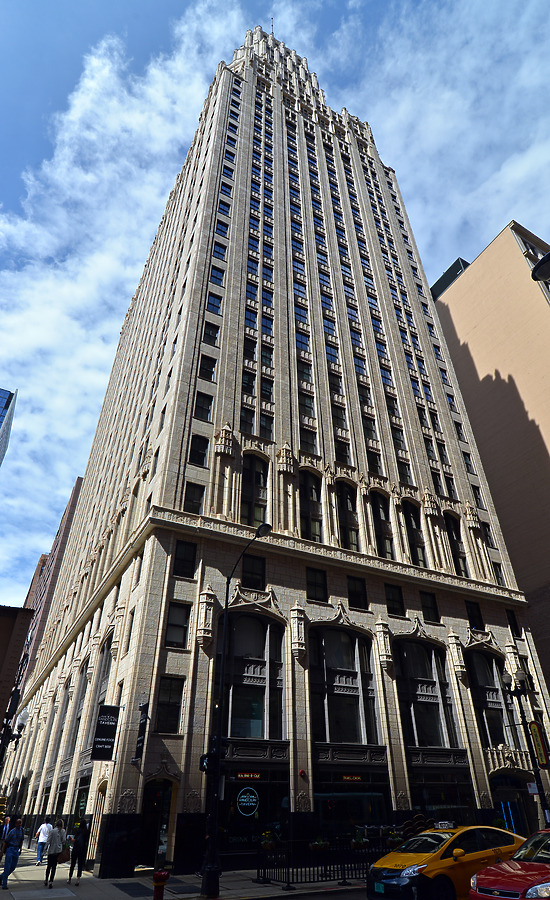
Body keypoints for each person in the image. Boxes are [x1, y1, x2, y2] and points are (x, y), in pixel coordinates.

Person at [1, 818, 24, 890]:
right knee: (7, 867)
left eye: (20, 823)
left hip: (16, 850)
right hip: (10, 849)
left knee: (13, 867)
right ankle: (4, 884)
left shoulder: (22, 831)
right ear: (16, 824)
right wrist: (2, 851)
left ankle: (1, 877)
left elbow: (21, 840)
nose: (19, 824)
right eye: (18, 823)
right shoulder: (12, 832)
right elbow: (5, 841)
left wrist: (20, 849)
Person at [44, 819, 66, 889]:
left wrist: (44, 851)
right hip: (58, 851)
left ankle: (46, 879)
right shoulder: (63, 831)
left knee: (48, 866)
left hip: (51, 851)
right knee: (54, 867)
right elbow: (64, 840)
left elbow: (48, 841)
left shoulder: (52, 831)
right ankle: (51, 881)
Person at [67, 822, 88, 886]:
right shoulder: (86, 832)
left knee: (72, 864)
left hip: (76, 849)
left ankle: (70, 878)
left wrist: (71, 838)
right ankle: (78, 879)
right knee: (80, 865)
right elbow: (86, 842)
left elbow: (74, 840)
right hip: (82, 850)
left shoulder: (78, 831)